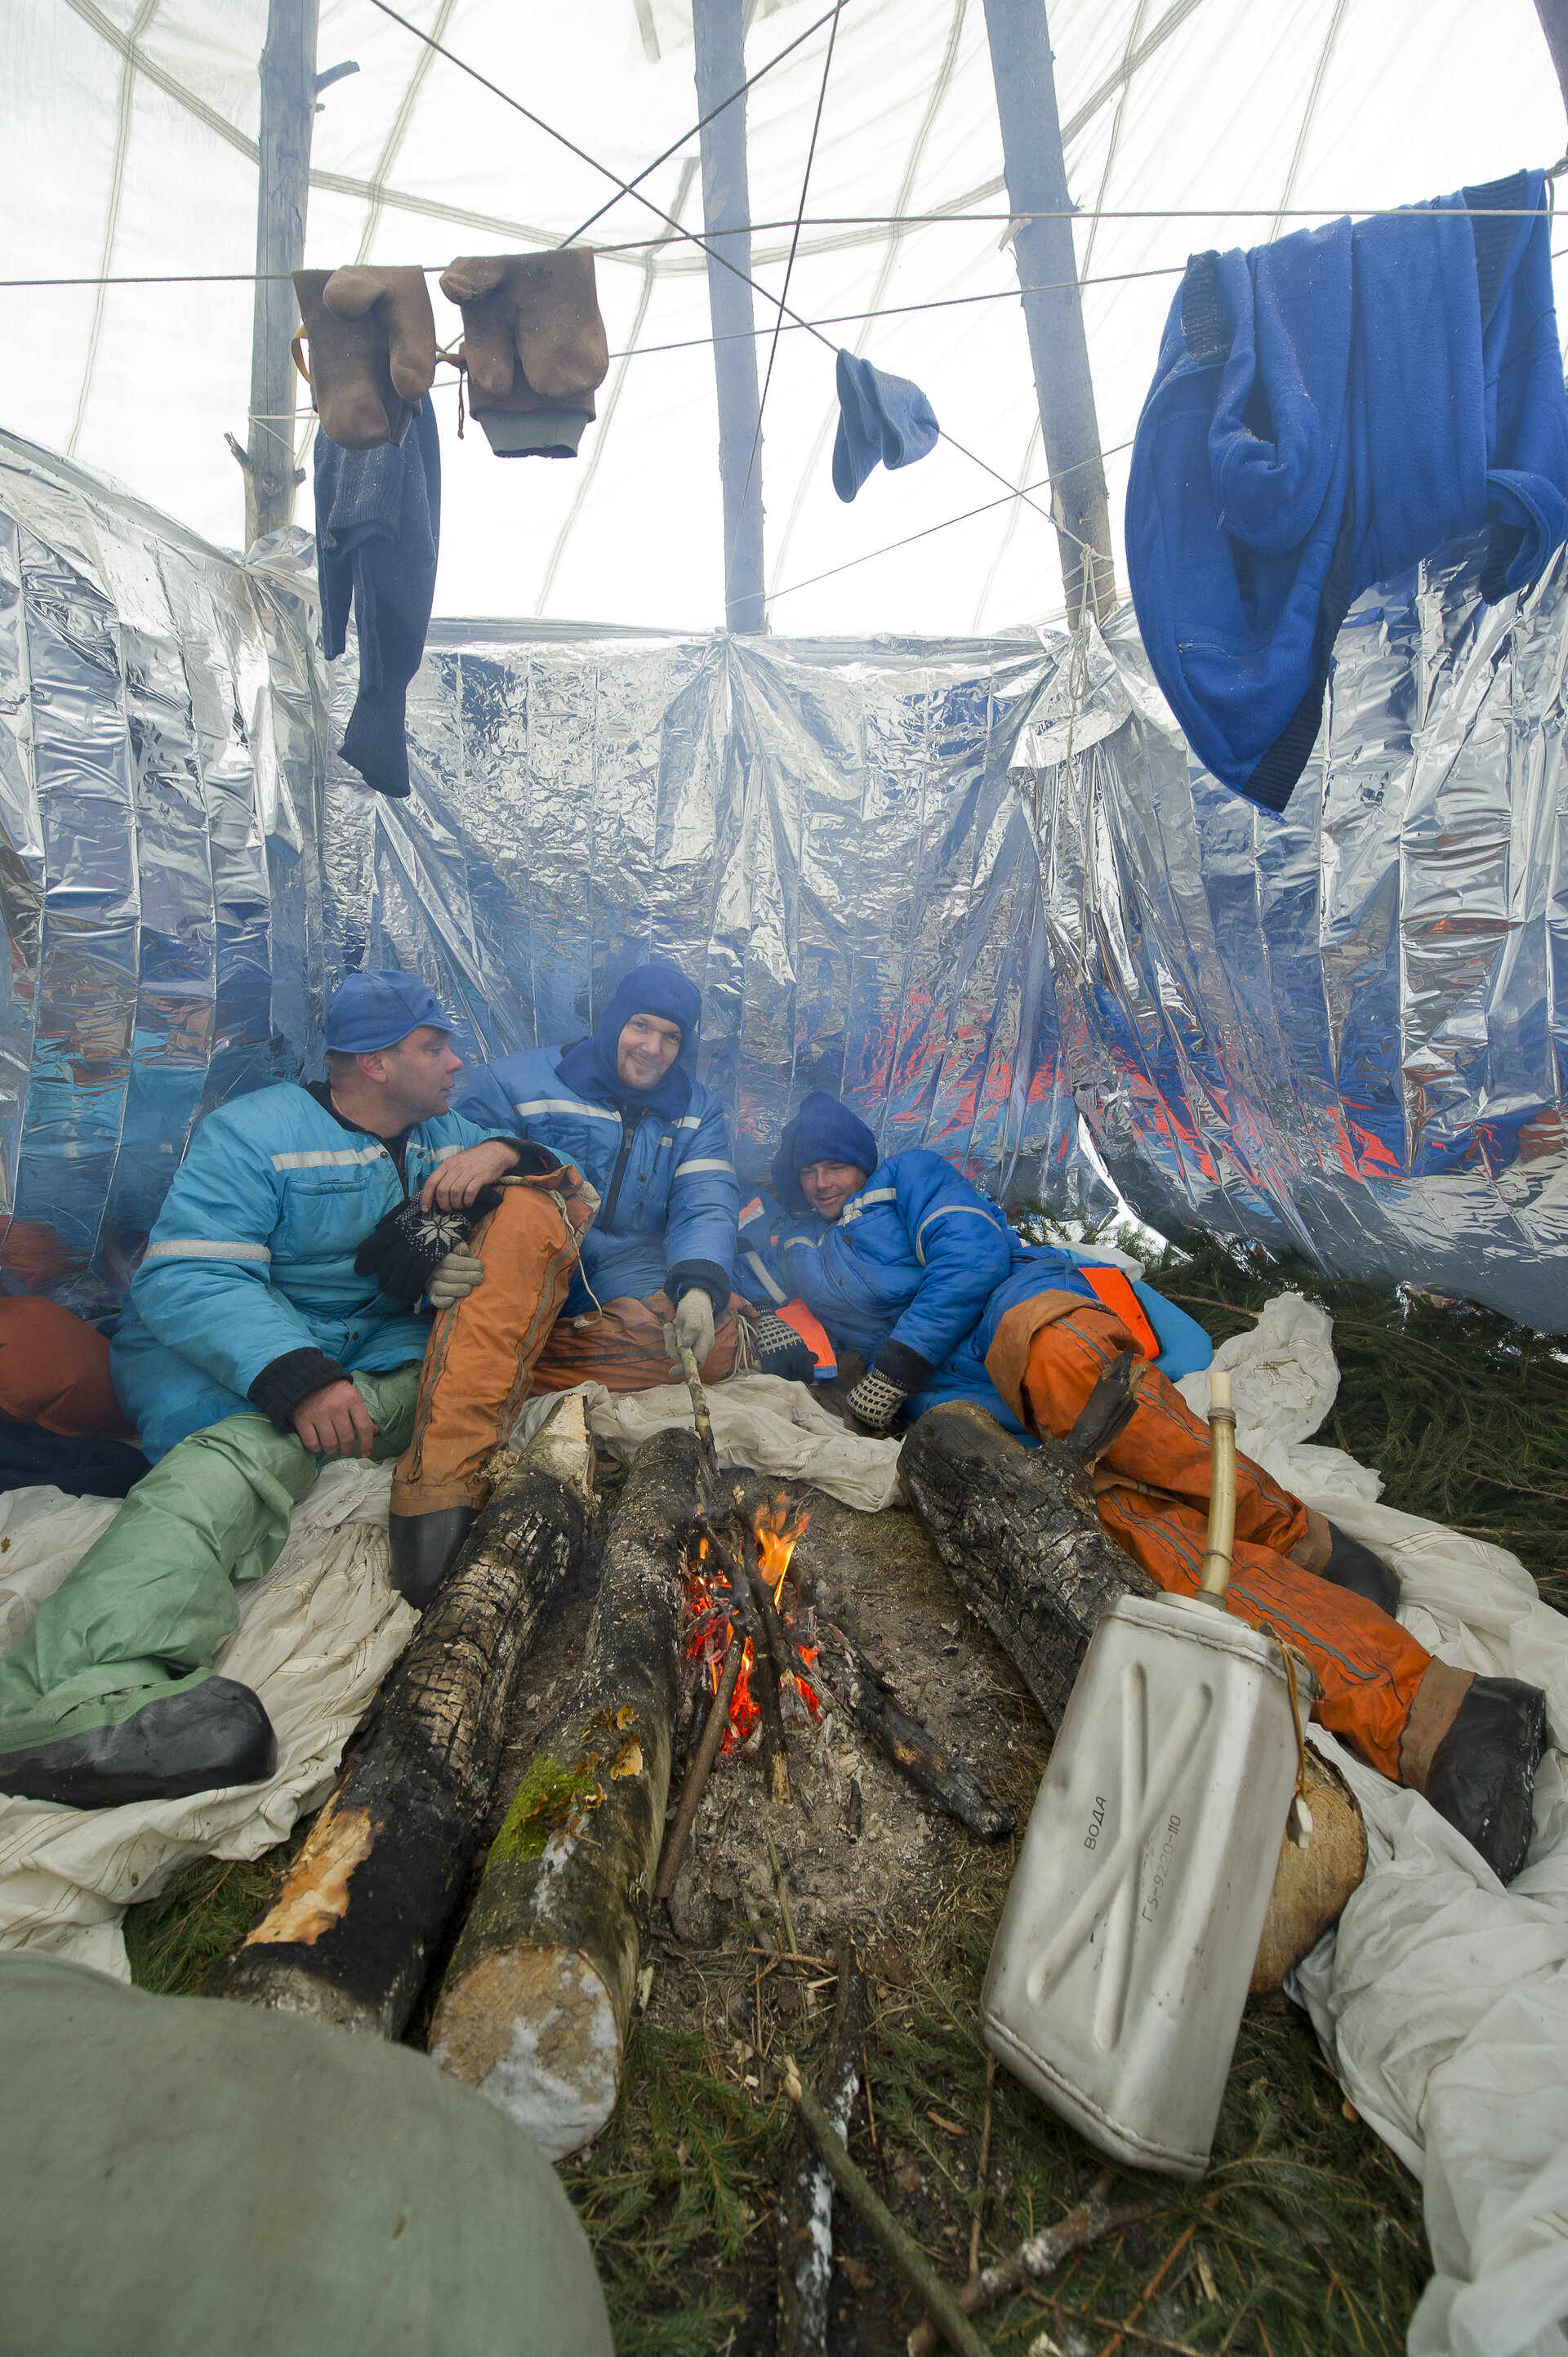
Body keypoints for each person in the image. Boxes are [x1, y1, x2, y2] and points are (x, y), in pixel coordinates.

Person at [0, 971, 595, 1811]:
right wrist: (299, 1378)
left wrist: (506, 1154)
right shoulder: (255, 1133)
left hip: (371, 1354)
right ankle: (65, 1694)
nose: (458, 1063)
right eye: (435, 1047)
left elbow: (568, 1184)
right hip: (226, 1348)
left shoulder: (442, 1134)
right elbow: (189, 1279)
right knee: (233, 1460)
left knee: (410, 1399)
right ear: (375, 1063)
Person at [454, 959, 742, 1392]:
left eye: (671, 1036)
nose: (652, 1048)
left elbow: (705, 1204)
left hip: (625, 1266)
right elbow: (458, 1179)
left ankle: (515, 1369)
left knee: (713, 1344)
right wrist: (444, 1252)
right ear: (613, 1022)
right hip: (527, 1260)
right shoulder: (512, 1083)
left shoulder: (698, 1110)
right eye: (641, 1025)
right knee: (518, 1209)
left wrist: (699, 1289)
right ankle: (532, 1360)